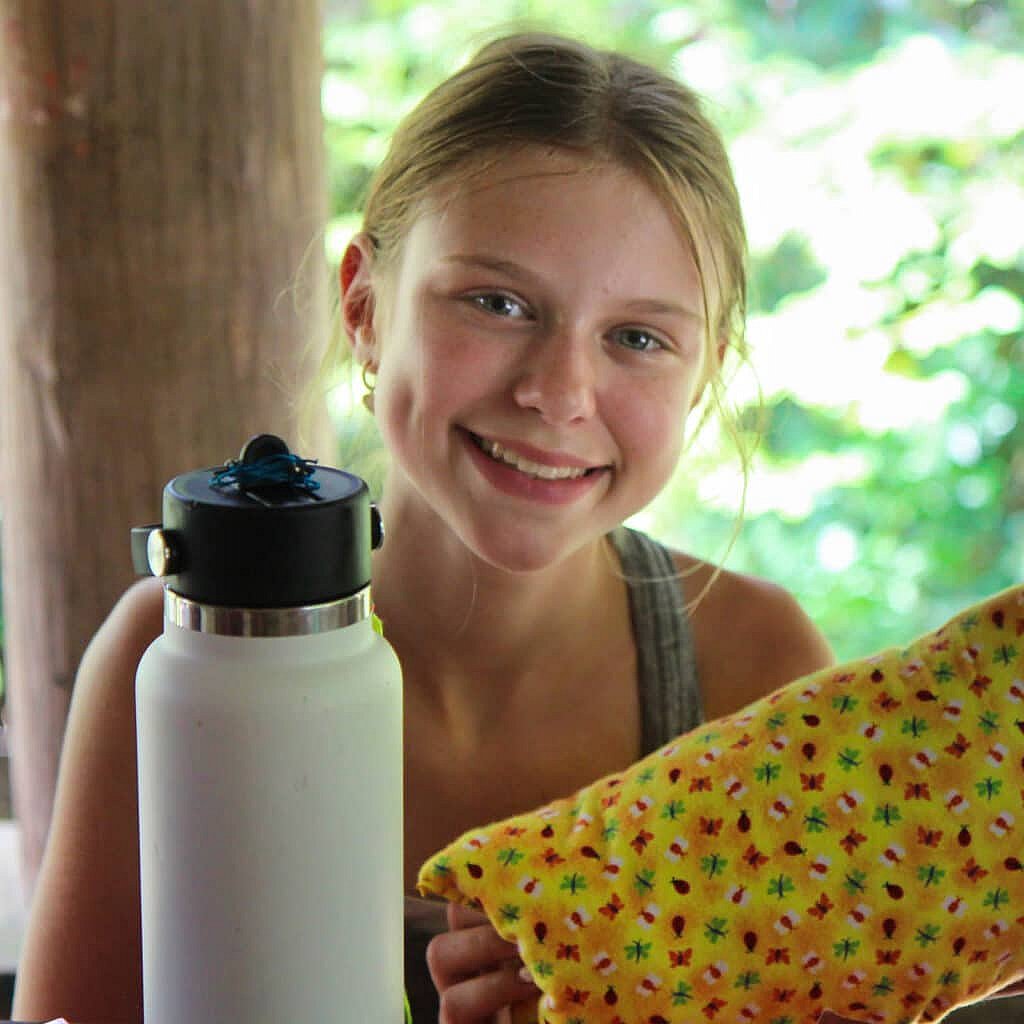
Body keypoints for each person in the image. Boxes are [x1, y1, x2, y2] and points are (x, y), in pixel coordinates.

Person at [13, 31, 838, 1024]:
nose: (557, 392)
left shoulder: (756, 676)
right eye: (496, 302)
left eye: (637, 337)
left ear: (704, 370)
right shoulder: (178, 653)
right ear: (364, 306)